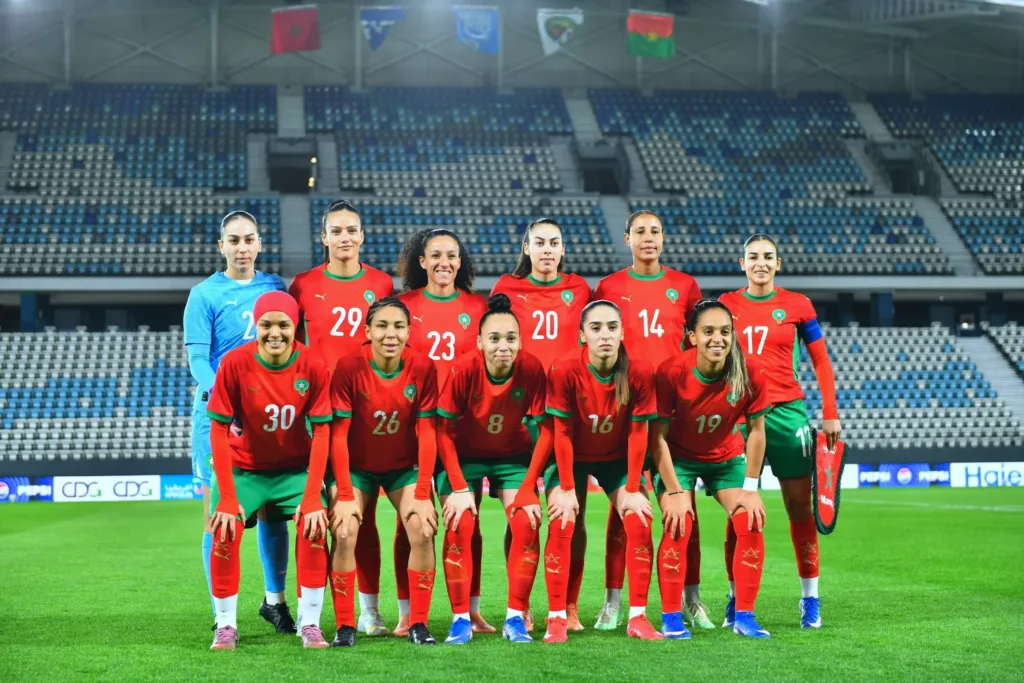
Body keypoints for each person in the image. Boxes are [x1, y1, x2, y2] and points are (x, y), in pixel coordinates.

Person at [719, 233, 841, 629]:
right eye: (753, 256)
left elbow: (821, 362)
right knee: (739, 509)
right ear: (742, 263)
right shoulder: (726, 305)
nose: (760, 263)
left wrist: (830, 412)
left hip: (788, 414)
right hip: (739, 415)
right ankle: (736, 598)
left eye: (767, 257)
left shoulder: (797, 305)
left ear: (778, 263)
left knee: (799, 509)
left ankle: (810, 599)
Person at [593, 209, 707, 631]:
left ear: (663, 238)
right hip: (628, 408)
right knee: (624, 505)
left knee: (684, 505)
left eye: (655, 231)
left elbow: (699, 340)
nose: (648, 238)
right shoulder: (610, 287)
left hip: (676, 409)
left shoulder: (685, 286)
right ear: (627, 239)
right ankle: (613, 601)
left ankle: (690, 599)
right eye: (640, 231)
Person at [183, 210, 294, 633]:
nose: (242, 247)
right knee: (219, 514)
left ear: (260, 244)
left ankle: (274, 602)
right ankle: (221, 613)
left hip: (270, 415)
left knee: (271, 510)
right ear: (222, 246)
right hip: (220, 413)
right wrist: (229, 400)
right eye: (234, 240)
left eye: (249, 239)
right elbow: (197, 359)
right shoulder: (204, 294)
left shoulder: (274, 287)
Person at [288, 199, 395, 636]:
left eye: (352, 229)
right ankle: (307, 611)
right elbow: (291, 347)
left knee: (361, 518)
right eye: (337, 230)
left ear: (362, 236)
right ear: (324, 237)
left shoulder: (381, 282)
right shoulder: (302, 285)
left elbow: (390, 339)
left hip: (365, 416)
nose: (345, 237)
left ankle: (368, 613)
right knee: (312, 514)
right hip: (316, 417)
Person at [528, 300, 662, 644]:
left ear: (622, 333)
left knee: (639, 518)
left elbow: (638, 433)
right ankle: (557, 617)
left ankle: (638, 617)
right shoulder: (564, 368)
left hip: (616, 459)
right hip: (570, 457)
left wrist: (633, 487)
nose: (605, 335)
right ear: (582, 334)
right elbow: (563, 432)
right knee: (562, 518)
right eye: (597, 328)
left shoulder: (640, 371)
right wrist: (568, 486)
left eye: (612, 327)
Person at [205, 291, 333, 650]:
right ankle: (226, 626)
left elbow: (322, 430)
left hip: (293, 471)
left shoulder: (313, 364)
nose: (274, 332)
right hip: (245, 470)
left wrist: (311, 496)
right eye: (266, 324)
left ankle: (310, 624)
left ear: (295, 328)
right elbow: (217, 428)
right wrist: (228, 496)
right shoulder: (234, 363)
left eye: (283, 325)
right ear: (256, 327)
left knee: (313, 526)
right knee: (225, 530)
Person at [490, 217, 591, 631]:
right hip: (523, 416)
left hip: (570, 415)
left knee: (573, 514)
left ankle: (568, 605)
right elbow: (494, 341)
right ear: (526, 248)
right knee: (521, 515)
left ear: (563, 249)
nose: (547, 250)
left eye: (554, 243)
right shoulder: (505, 289)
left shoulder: (581, 289)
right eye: (540, 243)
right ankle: (522, 604)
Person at [650, 299, 773, 640]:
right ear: (692, 337)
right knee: (679, 522)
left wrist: (750, 487)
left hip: (725, 457)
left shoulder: (751, 372)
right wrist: (674, 492)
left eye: (725, 332)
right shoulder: (671, 371)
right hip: (678, 459)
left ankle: (743, 615)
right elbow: (656, 438)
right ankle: (672, 616)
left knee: (750, 519)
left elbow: (757, 431)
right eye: (708, 332)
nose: (717, 339)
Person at [434, 293, 549, 644]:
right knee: (459, 522)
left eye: (511, 338)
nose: (504, 346)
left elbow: (547, 430)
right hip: (462, 459)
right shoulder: (463, 369)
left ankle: (516, 617)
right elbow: (442, 430)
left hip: (512, 460)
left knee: (527, 522)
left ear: (520, 341)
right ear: (480, 341)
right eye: (495, 338)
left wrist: (529, 486)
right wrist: (457, 487)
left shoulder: (531, 368)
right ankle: (459, 619)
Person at [326, 296, 441, 646]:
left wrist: (423, 493)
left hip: (402, 468)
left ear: (409, 331)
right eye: (382, 326)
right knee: (344, 530)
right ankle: (346, 625)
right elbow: (338, 436)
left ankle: (418, 624)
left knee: (423, 527)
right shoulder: (349, 367)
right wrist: (344, 494)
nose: (390, 334)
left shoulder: (423, 367)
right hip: (356, 469)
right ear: (367, 331)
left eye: (399, 326)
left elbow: (428, 433)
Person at [395, 228, 491, 634]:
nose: (444, 263)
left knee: (469, 520)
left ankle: (470, 608)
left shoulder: (478, 307)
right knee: (409, 522)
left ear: (461, 261)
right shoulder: (403, 307)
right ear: (421, 261)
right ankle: (405, 613)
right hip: (412, 427)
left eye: (451, 255)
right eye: (435, 255)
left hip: (460, 431)